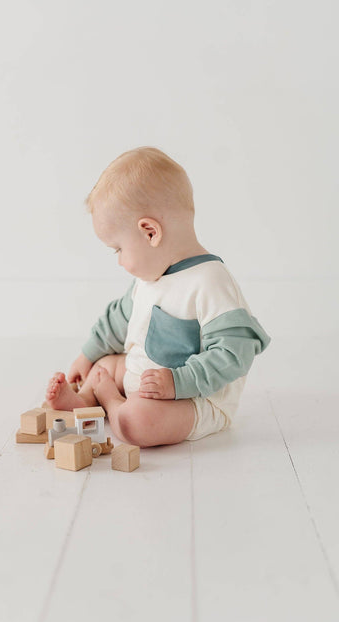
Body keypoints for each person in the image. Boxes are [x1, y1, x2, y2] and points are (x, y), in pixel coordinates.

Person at [46, 146, 271, 447]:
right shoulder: (150, 276)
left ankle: (111, 405)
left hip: (193, 399)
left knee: (137, 422)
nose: (119, 261)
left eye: (119, 249)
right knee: (106, 366)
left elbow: (234, 354)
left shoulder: (209, 281)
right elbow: (117, 320)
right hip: (146, 380)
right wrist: (86, 356)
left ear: (150, 232)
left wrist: (177, 383)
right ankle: (84, 400)